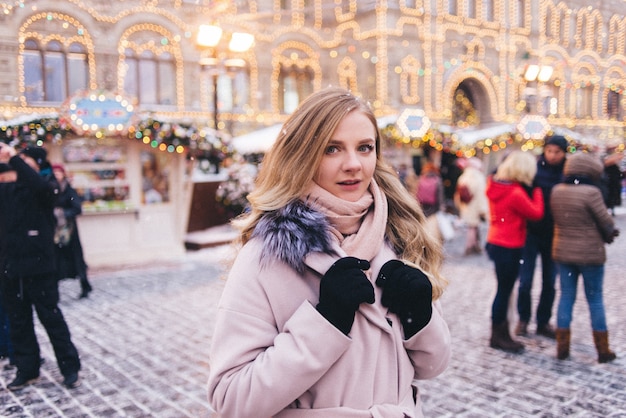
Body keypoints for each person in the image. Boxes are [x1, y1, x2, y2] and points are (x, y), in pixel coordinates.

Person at [207, 87, 451, 417]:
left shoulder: (399, 236)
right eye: (332, 149)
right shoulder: (266, 256)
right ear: (303, 155)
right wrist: (325, 323)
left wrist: (421, 318)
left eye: (365, 148)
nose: (353, 164)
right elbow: (231, 400)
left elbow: (432, 366)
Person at [0, 143, 81, 390]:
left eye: (25, 160)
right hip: (11, 267)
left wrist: (15, 159)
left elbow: (41, 189)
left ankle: (69, 367)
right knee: (19, 322)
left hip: (39, 267)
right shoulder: (7, 189)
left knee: (51, 318)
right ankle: (27, 369)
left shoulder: (46, 187)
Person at [550, 152, 619, 363]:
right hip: (590, 254)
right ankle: (602, 349)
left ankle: (562, 346)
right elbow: (606, 221)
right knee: (595, 299)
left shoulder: (557, 191)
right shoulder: (591, 192)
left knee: (566, 296)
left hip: (563, 251)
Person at [485, 150, 544, 353]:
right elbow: (536, 213)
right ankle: (498, 336)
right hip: (509, 245)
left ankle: (500, 333)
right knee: (504, 291)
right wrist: (537, 191)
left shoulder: (495, 184)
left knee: (502, 290)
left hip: (495, 241)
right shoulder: (516, 192)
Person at [514, 135, 567, 338]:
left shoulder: (567, 172)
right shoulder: (533, 169)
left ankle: (543, 321)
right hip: (531, 233)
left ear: (564, 153)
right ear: (544, 150)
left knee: (549, 281)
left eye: (557, 152)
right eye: (550, 151)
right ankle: (523, 319)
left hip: (555, 234)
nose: (553, 155)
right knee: (525, 280)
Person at [52, 163, 93, 299]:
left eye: (59, 172)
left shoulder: (69, 190)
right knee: (56, 260)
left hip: (69, 230)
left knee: (76, 259)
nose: (57, 175)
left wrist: (62, 213)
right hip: (55, 230)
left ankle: (85, 285)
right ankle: (55, 291)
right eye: (55, 172)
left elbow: (77, 208)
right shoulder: (51, 188)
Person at [454, 157, 488, 255]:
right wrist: (483, 209)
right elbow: (482, 195)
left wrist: (459, 205)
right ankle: (470, 246)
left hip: (466, 205)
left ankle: (475, 246)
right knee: (473, 226)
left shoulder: (463, 176)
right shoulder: (479, 177)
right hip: (475, 205)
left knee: (472, 226)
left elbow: (458, 193)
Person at [601, 148, 623, 216]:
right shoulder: (613, 167)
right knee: (611, 197)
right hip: (613, 184)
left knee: (609, 197)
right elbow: (619, 175)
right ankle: (611, 209)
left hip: (609, 184)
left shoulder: (606, 166)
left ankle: (610, 208)